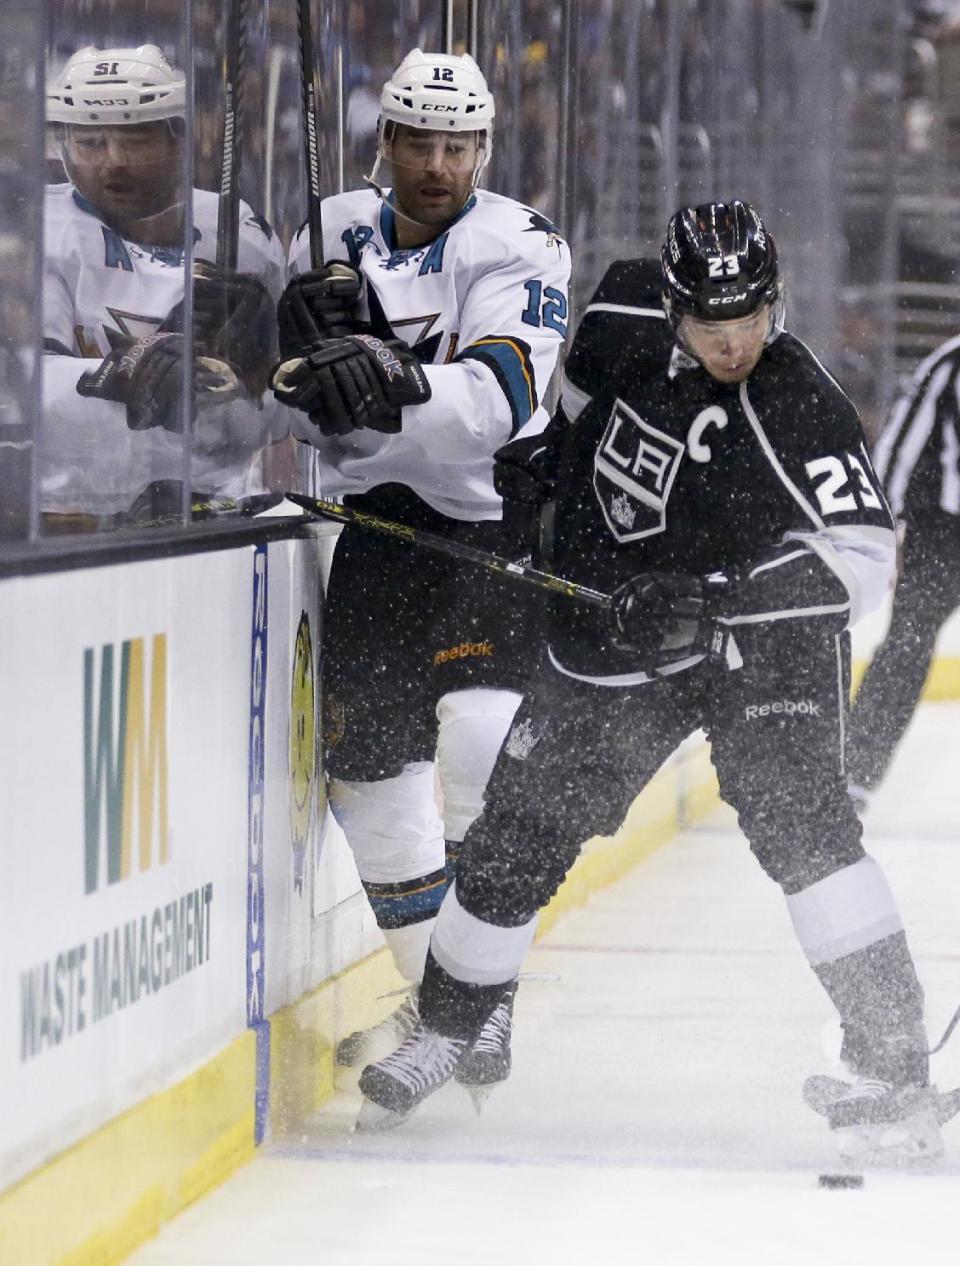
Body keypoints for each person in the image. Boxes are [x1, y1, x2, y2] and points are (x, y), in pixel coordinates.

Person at [356, 200, 942, 1165]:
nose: (733, 341)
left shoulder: (802, 399)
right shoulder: (620, 318)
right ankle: (449, 1026)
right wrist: (545, 467)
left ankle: (893, 1065)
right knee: (522, 823)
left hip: (766, 644)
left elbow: (865, 556)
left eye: (750, 318)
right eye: (711, 324)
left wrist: (719, 599)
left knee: (807, 833)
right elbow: (575, 426)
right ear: (669, 306)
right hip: (624, 629)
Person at [271, 48, 571, 1099]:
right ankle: (453, 1021)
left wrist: (388, 377)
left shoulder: (521, 242)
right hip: (378, 532)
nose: (437, 163)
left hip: (491, 530)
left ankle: (475, 1006)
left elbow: (497, 399)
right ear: (384, 141)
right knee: (369, 785)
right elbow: (267, 381)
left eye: (458, 145)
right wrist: (285, 349)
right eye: (418, 141)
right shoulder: (324, 230)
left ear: (484, 149)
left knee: (483, 748)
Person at [43, 44, 288, 526]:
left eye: (136, 138)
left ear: (179, 137)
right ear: (65, 145)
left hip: (209, 517)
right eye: (91, 142)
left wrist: (257, 373)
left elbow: (272, 424)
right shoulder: (41, 230)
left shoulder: (241, 235)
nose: (114, 161)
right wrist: (124, 370)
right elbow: (20, 390)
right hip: (70, 519)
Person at [845, 333, 960, 804]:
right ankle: (852, 773)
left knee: (905, 648)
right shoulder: (950, 364)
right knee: (907, 648)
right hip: (945, 535)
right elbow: (901, 442)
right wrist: (881, 526)